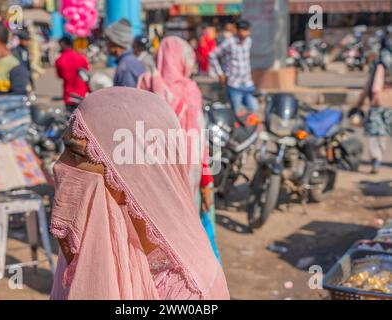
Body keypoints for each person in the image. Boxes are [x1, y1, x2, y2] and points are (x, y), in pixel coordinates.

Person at [49, 87, 230, 300]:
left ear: (134, 171)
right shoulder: (97, 230)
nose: (59, 165)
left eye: (76, 154)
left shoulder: (191, 291)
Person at [138, 36, 221, 262]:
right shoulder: (189, 90)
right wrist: (206, 181)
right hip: (187, 174)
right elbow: (198, 139)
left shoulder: (146, 84)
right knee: (185, 238)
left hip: (150, 175)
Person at [354, 40, 392, 174]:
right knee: (382, 135)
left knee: (375, 134)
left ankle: (376, 159)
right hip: (387, 104)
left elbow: (373, 86)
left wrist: (359, 103)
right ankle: (377, 158)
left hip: (378, 103)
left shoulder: (379, 66)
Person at [209, 19, 258, 114]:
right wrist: (220, 73)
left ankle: (250, 128)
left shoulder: (248, 41)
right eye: (244, 30)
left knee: (254, 108)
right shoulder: (229, 43)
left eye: (248, 30)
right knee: (236, 112)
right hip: (234, 84)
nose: (246, 33)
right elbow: (212, 55)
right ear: (238, 30)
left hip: (247, 83)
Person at [104, 19, 145, 87]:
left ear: (114, 42)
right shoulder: (131, 60)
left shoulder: (125, 66)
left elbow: (127, 96)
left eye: (107, 41)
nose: (106, 44)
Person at [55, 36, 91, 111]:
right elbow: (87, 75)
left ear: (62, 44)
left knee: (71, 119)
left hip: (69, 94)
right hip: (82, 93)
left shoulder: (59, 59)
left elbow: (59, 75)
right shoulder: (81, 58)